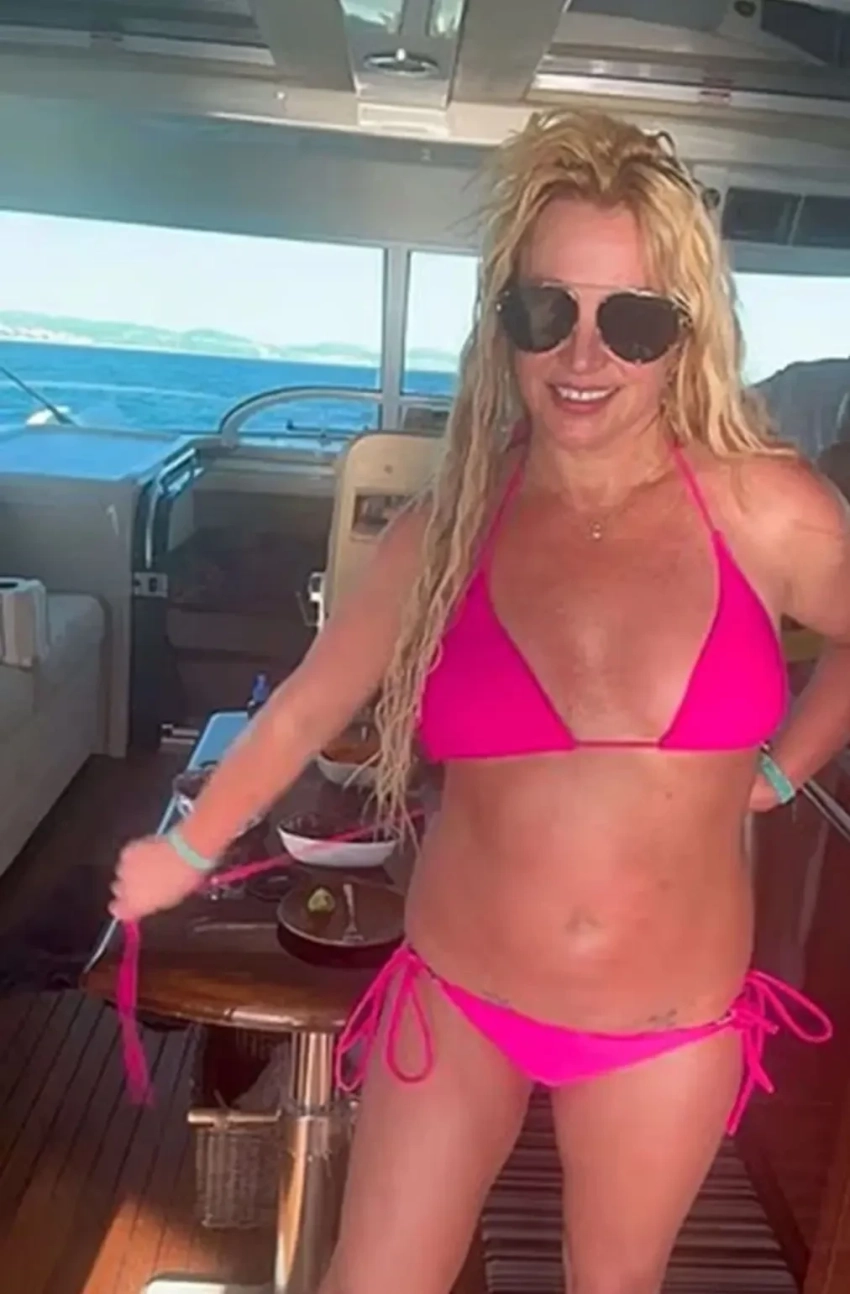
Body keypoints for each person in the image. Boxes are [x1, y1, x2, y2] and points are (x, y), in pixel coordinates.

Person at [110, 110, 849, 1294]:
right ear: (502, 320)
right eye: (545, 310)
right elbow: (301, 710)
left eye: (632, 320)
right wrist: (185, 849)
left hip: (666, 1028)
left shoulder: (769, 509)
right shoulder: (443, 529)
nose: (583, 354)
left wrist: (780, 768)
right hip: (458, 996)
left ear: (684, 334)